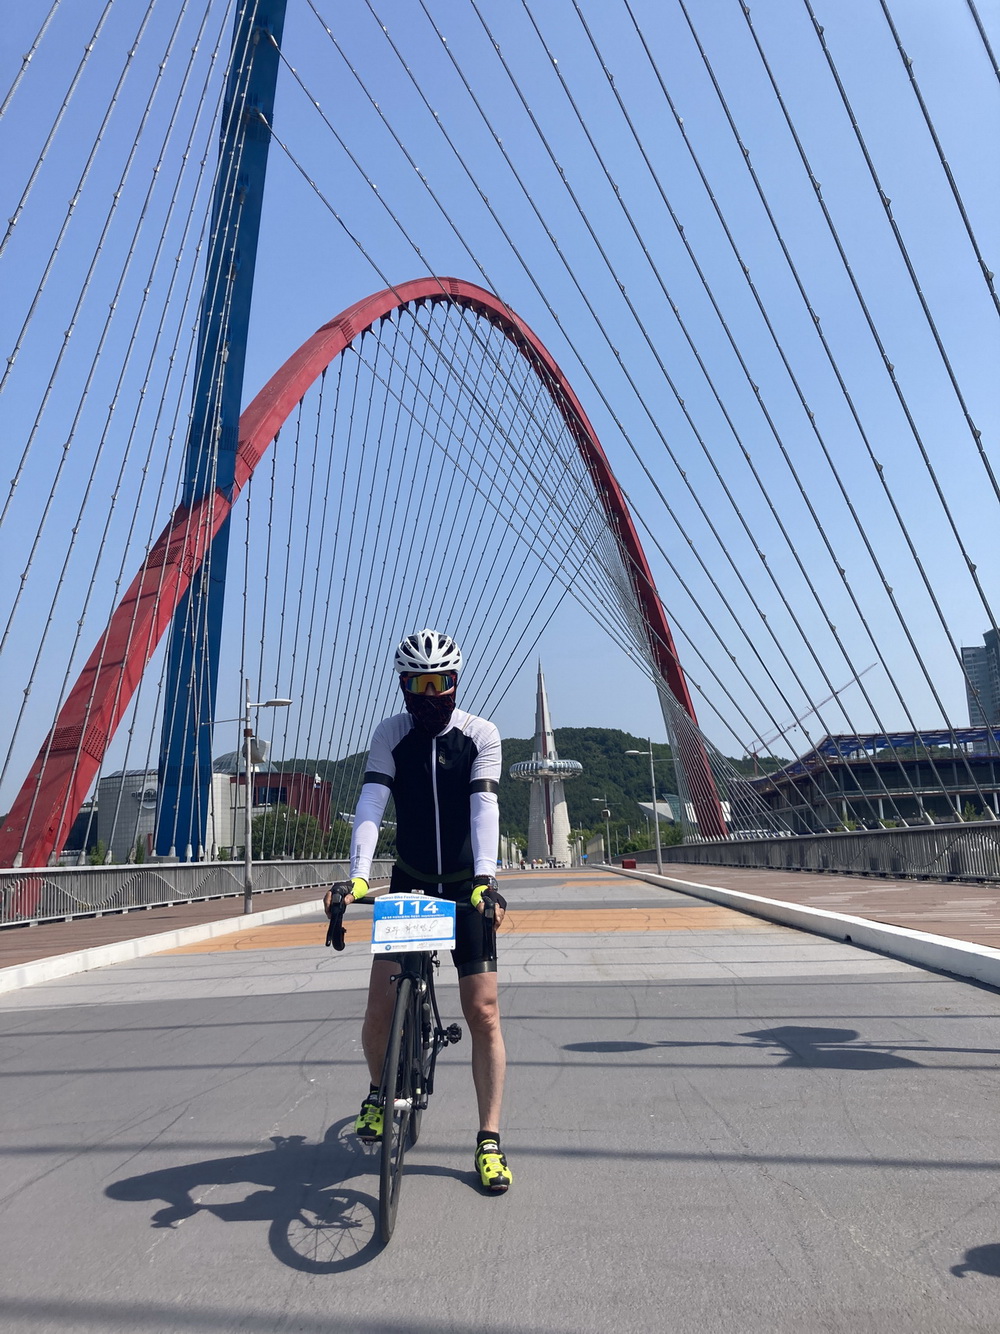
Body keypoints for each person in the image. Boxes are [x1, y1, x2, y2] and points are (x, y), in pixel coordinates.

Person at [324, 629, 512, 1193]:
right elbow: (371, 801)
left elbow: (483, 806)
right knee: (379, 1008)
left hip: (464, 885)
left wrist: (486, 879)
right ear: (404, 687)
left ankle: (488, 1139)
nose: (431, 696)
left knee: (483, 1012)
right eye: (419, 685)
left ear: (455, 683)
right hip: (410, 883)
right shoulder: (391, 734)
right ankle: (378, 1092)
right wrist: (358, 876)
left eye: (441, 684)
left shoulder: (481, 735)